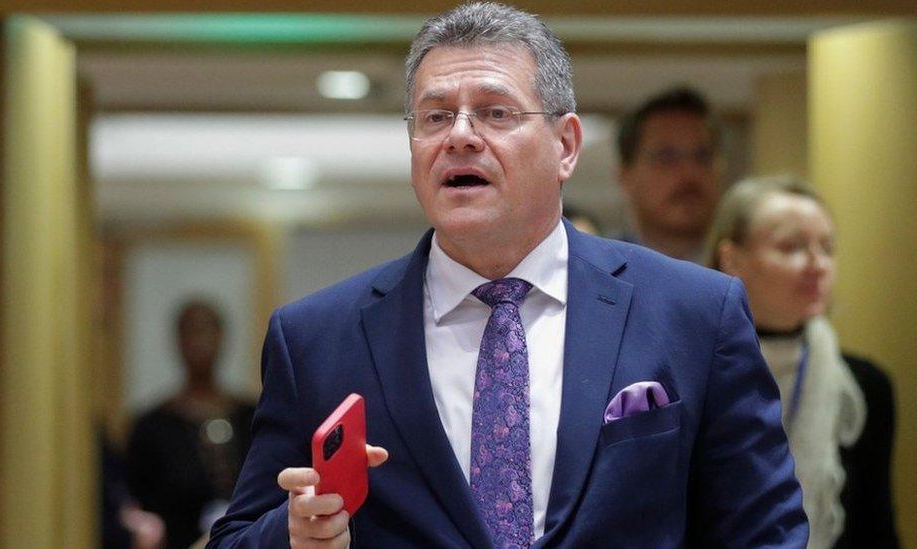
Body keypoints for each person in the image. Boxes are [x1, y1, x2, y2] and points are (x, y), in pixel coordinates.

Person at [209, 4, 807, 547]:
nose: (460, 136)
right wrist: (287, 535)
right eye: (435, 116)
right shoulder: (315, 338)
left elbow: (764, 532)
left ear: (565, 146)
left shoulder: (696, 313)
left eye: (495, 112)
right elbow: (235, 538)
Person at [704, 176, 899, 549]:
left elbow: (877, 524)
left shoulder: (865, 384)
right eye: (791, 247)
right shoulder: (693, 371)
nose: (817, 264)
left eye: (827, 248)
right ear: (731, 259)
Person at [127, 299, 256, 549]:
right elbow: (137, 506)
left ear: (222, 337)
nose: (200, 340)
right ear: (177, 340)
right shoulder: (152, 426)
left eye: (208, 329)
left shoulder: (252, 415)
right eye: (190, 330)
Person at [615, 87, 722, 262]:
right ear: (626, 176)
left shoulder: (751, 273)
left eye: (702, 157)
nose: (690, 172)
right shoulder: (596, 274)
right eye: (667, 157)